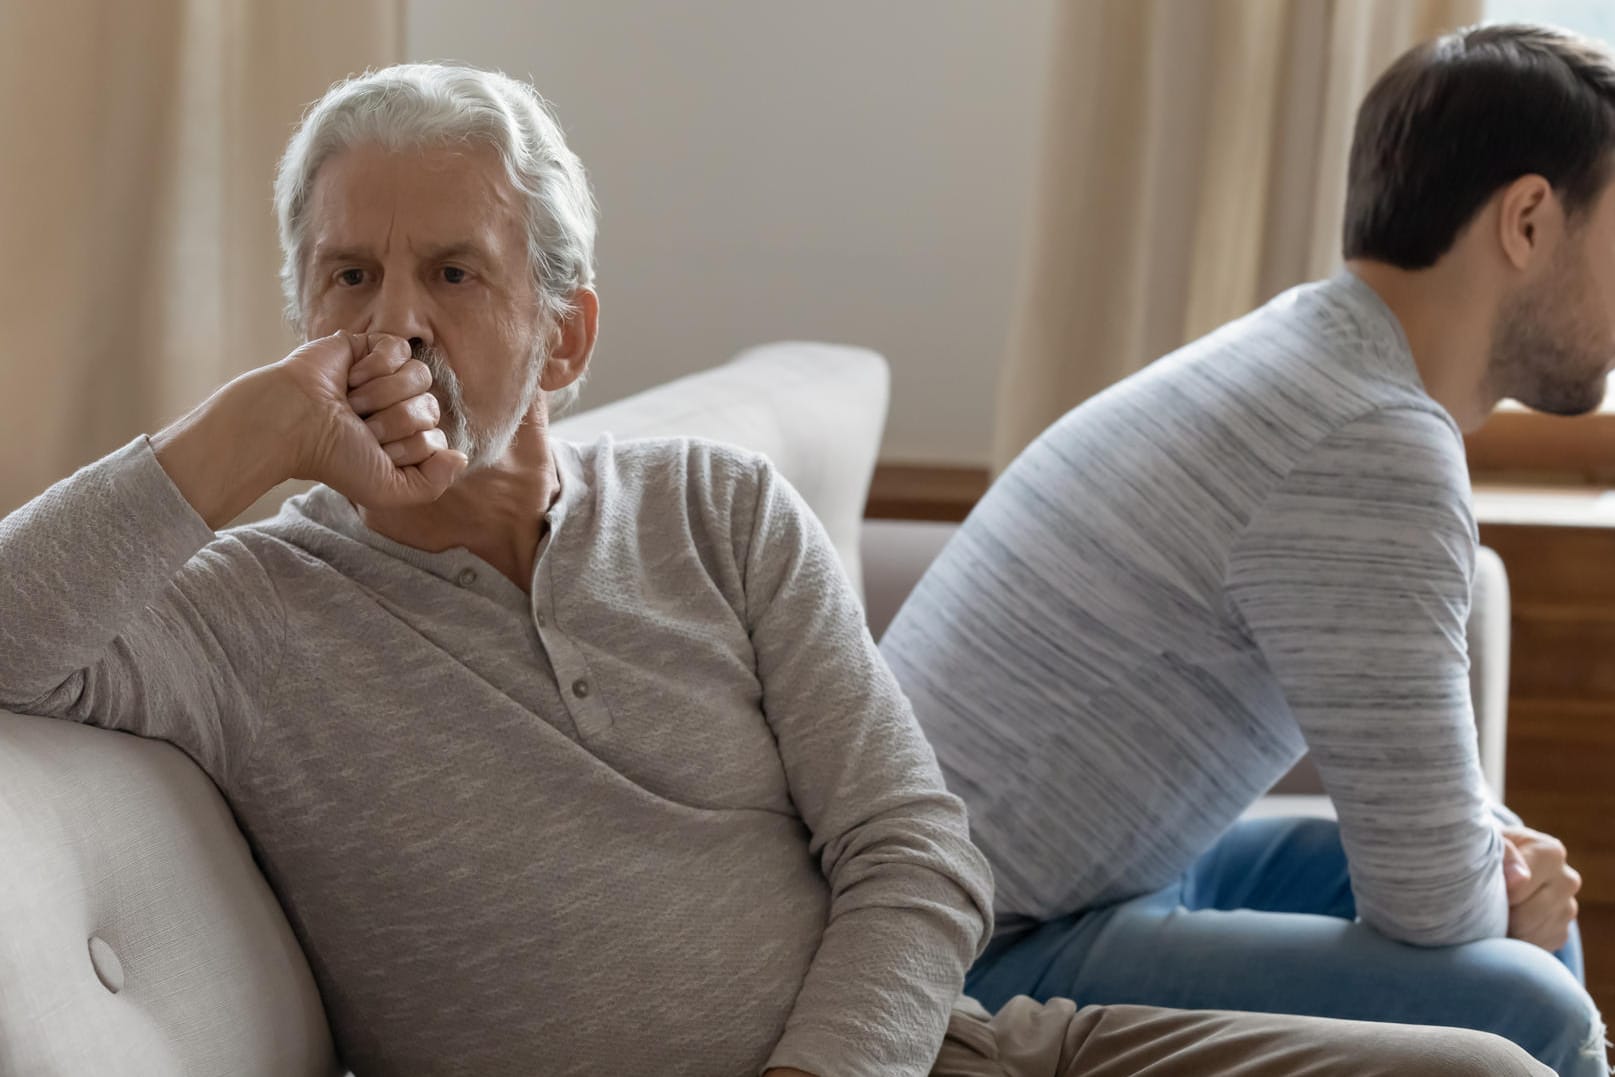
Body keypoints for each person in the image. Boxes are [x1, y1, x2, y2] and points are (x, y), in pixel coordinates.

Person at [0, 62, 1552, 1077]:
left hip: (959, 1052)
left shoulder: (711, 511)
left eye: (454, 272)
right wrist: (240, 432)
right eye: (350, 276)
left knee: (1488, 1066)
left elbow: (913, 851)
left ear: (565, 334)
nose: (393, 324)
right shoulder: (244, 611)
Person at [882, 22, 1614, 1077]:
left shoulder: (1305, 353)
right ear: (1530, 219)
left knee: (1524, 902)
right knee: (1525, 1002)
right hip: (960, 951)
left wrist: (1491, 861)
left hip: (1066, 885)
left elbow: (1428, 841)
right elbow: (1434, 904)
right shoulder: (1367, 437)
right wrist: (1493, 876)